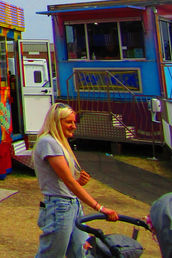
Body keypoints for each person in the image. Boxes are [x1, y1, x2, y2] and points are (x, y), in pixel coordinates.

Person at [34, 103, 119, 257]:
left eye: (74, 122)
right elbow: (69, 182)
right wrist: (100, 208)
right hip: (60, 207)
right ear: (56, 122)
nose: (74, 126)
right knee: (51, 254)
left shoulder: (59, 143)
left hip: (72, 205)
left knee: (82, 253)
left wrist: (79, 182)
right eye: (69, 122)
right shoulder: (48, 143)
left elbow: (64, 182)